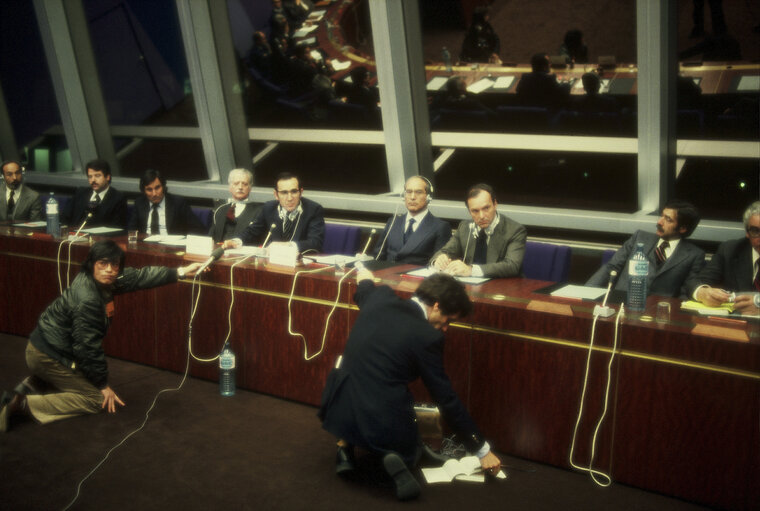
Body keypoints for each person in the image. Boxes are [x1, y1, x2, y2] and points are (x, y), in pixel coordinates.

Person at [318, 271, 501, 500]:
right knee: (404, 416)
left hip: (337, 404)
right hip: (380, 418)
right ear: (436, 306)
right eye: (449, 320)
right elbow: (445, 398)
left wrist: (365, 276)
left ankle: (344, 446)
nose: (446, 328)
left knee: (364, 383)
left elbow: (363, 290)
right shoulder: (427, 337)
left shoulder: (380, 297)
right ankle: (397, 455)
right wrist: (481, 449)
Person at [0, 240, 204, 431]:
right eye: (103, 264)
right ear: (92, 264)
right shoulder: (88, 298)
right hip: (48, 354)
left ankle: (32, 385)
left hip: (50, 348)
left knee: (85, 378)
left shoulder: (99, 279)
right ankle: (23, 404)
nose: (109, 270)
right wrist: (102, 385)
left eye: (114, 265)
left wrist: (181, 271)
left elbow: (140, 277)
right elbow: (87, 348)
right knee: (94, 400)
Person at [586, 200, 705, 298]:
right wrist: (585, 292)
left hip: (659, 313)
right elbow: (611, 268)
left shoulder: (694, 255)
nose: (660, 222)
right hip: (622, 303)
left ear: (683, 228)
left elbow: (685, 293)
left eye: (668, 219)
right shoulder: (639, 238)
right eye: (662, 216)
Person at [431, 183, 526, 278]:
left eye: (486, 208)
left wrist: (471, 270)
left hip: (503, 286)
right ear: (469, 211)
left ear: (495, 204)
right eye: (475, 211)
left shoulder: (514, 230)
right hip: (470, 286)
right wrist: (439, 260)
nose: (481, 216)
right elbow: (446, 251)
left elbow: (512, 266)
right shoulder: (464, 227)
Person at [687, 201, 760, 315]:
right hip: (734, 326)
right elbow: (694, 282)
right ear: (747, 232)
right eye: (755, 231)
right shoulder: (730, 250)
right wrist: (703, 293)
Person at [224, 172, 324, 254]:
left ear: (301, 192)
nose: (289, 198)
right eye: (284, 193)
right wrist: (235, 241)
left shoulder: (313, 210)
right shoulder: (269, 208)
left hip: (301, 263)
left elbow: (315, 242)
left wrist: (288, 245)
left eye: (294, 191)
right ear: (276, 195)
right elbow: (252, 231)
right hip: (274, 261)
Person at [374, 176, 451, 266]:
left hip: (416, 278)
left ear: (428, 197)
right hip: (387, 276)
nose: (412, 197)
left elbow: (438, 263)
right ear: (404, 196)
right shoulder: (393, 222)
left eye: (418, 192)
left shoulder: (440, 227)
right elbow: (378, 256)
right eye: (409, 192)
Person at [128, 169, 206, 236]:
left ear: (164, 186)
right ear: (143, 191)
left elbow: (198, 229)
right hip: (145, 248)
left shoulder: (178, 203)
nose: (154, 193)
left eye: (157, 188)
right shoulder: (139, 203)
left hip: (172, 249)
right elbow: (131, 230)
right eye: (149, 189)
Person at [63, 159, 128, 230]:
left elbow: (117, 227)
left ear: (107, 177)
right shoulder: (80, 193)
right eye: (90, 176)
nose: (93, 180)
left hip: (100, 239)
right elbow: (65, 217)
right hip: (74, 236)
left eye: (97, 176)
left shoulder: (117, 198)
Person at [209, 169, 261, 243]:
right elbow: (210, 238)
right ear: (230, 187)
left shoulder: (260, 211)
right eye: (236, 183)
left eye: (245, 184)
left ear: (250, 188)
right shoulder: (220, 210)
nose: (240, 187)